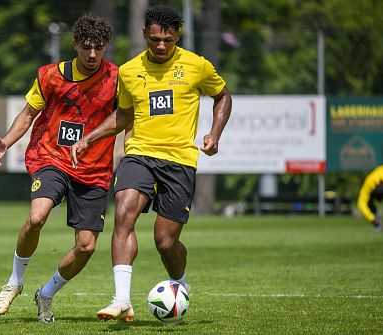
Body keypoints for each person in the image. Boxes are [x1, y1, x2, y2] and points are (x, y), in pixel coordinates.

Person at [71, 4, 232, 322]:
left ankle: (180, 285)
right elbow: (124, 115)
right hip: (140, 154)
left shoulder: (196, 65)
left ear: (177, 37)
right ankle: (121, 299)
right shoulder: (129, 71)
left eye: (168, 40)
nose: (161, 46)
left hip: (179, 159)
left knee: (165, 241)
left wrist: (215, 133)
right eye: (155, 39)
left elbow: (223, 95)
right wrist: (90, 137)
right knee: (123, 212)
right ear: (145, 34)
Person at [0, 15, 118, 323]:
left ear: (105, 47)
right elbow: (28, 113)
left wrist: (93, 139)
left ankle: (45, 293)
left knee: (85, 247)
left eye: (98, 48)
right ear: (75, 44)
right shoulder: (50, 75)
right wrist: (6, 142)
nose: (91, 54)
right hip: (52, 158)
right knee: (37, 216)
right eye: (86, 47)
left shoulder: (117, 78)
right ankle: (15, 281)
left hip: (94, 170)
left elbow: (123, 117)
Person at [357, 165, 383, 232]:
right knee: (369, 204)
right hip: (376, 186)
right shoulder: (369, 182)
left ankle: (379, 224)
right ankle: (379, 224)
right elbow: (361, 204)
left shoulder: (368, 183)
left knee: (369, 203)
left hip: (377, 185)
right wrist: (372, 218)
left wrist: (372, 219)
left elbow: (361, 204)